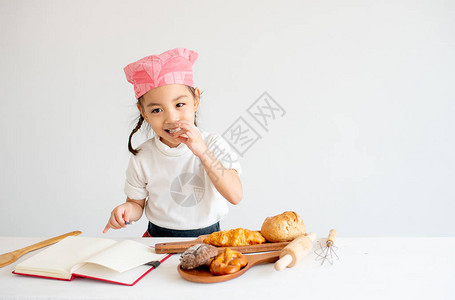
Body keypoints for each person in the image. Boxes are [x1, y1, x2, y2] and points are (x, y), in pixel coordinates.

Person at [103, 48, 243, 237]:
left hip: (208, 240)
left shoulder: (213, 144)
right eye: (156, 110)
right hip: (157, 241)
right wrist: (126, 210)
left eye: (179, 105)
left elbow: (235, 195)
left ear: (196, 99)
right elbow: (137, 204)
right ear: (143, 112)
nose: (171, 118)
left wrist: (202, 152)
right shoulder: (143, 156)